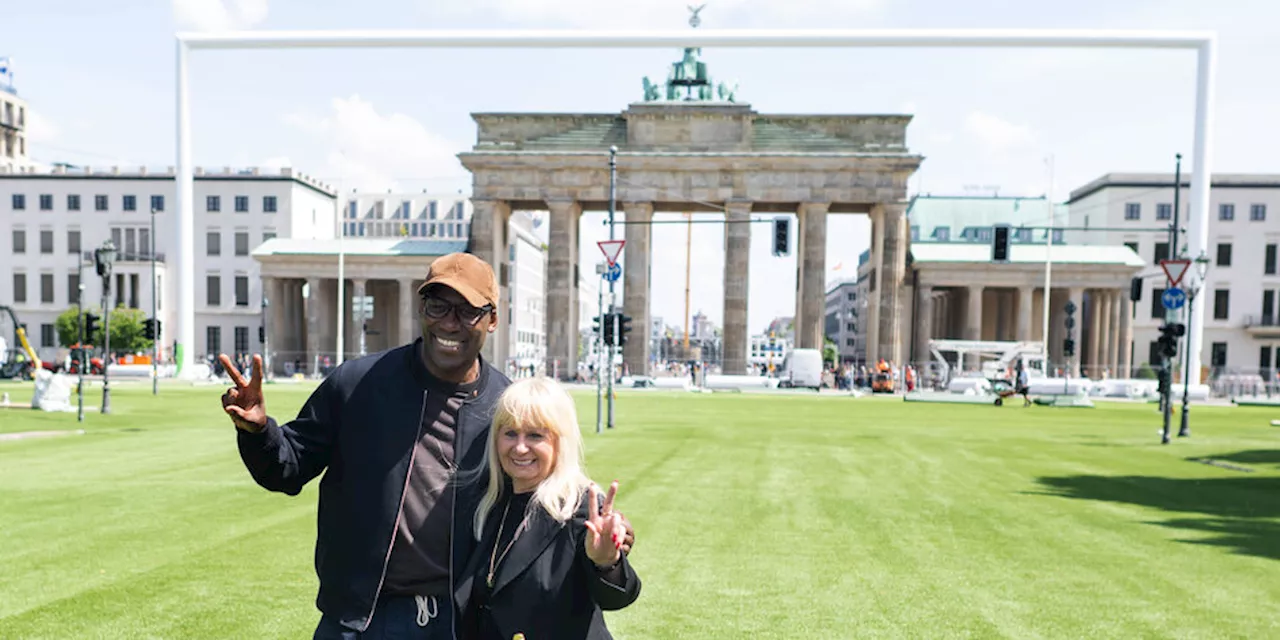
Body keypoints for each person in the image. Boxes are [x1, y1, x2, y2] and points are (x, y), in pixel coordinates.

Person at [218, 252, 635, 639]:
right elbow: (285, 468)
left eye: (468, 310)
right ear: (422, 310)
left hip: (461, 622)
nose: (450, 323)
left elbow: (550, 494)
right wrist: (259, 432)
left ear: (492, 319)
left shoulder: (506, 411)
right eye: (438, 305)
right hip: (358, 619)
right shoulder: (358, 384)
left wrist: (608, 544)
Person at [456, 377, 640, 639]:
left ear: (559, 442)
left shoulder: (579, 510)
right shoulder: (490, 504)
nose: (520, 447)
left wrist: (606, 563)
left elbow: (616, 597)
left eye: (535, 435)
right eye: (510, 433)